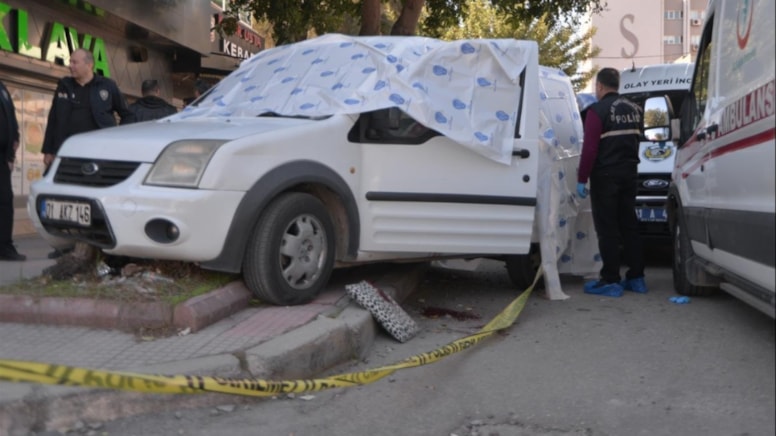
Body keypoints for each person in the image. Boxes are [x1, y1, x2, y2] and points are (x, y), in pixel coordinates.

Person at [41, 48, 135, 258]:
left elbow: (127, 115)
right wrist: (48, 149)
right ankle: (65, 246)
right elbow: (53, 119)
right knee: (66, 200)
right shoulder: (64, 85)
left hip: (99, 156)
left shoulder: (107, 86)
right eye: (70, 62)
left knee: (94, 200)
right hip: (67, 154)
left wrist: (118, 139)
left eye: (75, 62)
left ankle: (98, 245)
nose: (70, 66)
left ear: (89, 64)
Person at [576, 68, 646, 297]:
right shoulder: (635, 109)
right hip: (630, 174)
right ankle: (637, 278)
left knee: (607, 229)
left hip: (606, 177)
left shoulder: (597, 112)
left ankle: (611, 280)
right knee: (629, 225)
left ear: (599, 87)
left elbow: (590, 149)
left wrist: (581, 178)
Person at [0, 80, 25, 261]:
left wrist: (13, 141)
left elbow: (10, 117)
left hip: (3, 158)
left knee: (5, 202)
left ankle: (4, 247)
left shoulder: (2, 88)